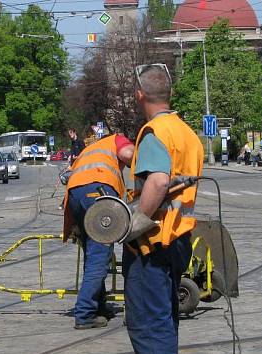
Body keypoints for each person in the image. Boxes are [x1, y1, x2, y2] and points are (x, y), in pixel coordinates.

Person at [124, 64, 203, 353]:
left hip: (151, 244)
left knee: (148, 325)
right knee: (165, 319)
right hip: (179, 240)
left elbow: (157, 183)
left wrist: (134, 224)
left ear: (139, 95)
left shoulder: (155, 132)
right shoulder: (186, 133)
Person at [62, 133, 134, 329]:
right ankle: (84, 314)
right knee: (99, 257)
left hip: (75, 195)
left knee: (93, 254)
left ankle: (99, 306)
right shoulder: (118, 139)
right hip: (98, 190)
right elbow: (129, 154)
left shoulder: (92, 149)